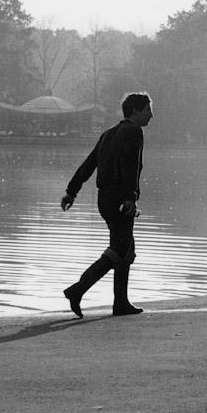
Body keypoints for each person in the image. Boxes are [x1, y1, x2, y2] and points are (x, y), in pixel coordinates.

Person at [60, 92, 153, 318]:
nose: (151, 115)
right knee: (120, 249)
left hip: (105, 198)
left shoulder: (108, 134)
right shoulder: (133, 132)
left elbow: (89, 164)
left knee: (126, 248)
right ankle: (77, 290)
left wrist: (71, 191)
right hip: (120, 198)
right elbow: (129, 165)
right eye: (148, 110)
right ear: (135, 111)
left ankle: (121, 302)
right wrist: (131, 197)